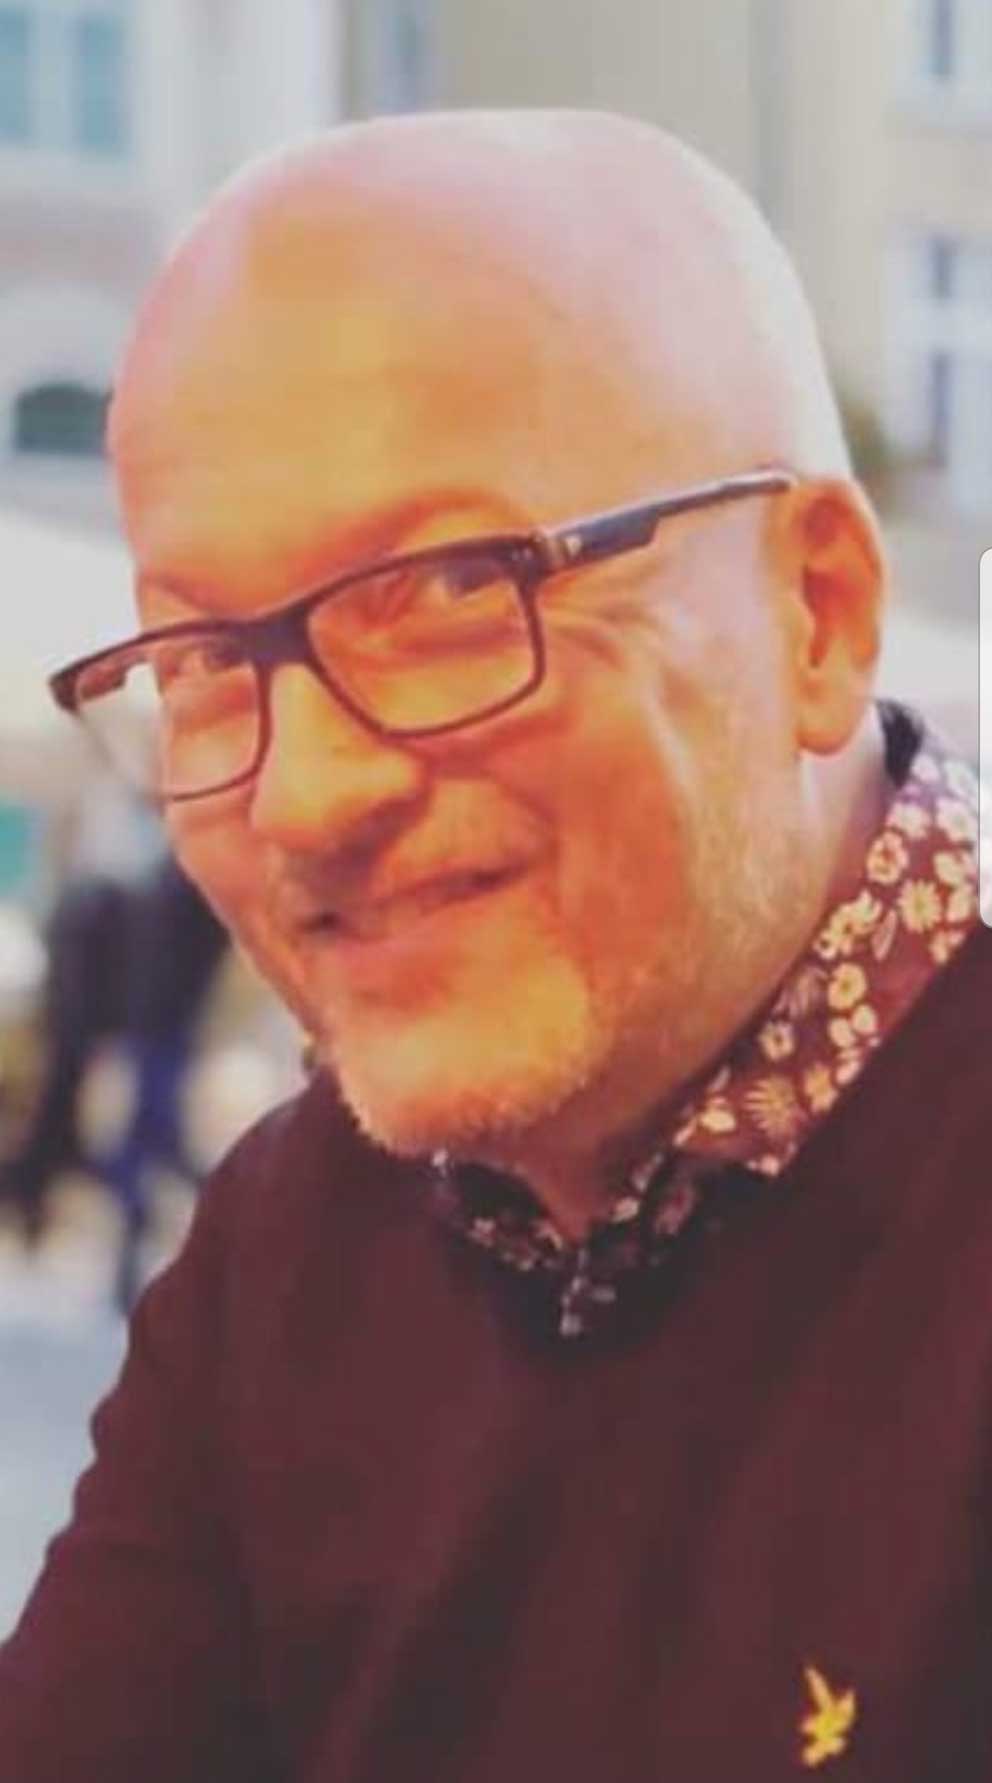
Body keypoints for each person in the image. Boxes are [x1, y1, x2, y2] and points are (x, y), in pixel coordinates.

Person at [0, 110, 987, 1781]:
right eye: (202, 663)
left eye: (454, 591)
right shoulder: (291, 1242)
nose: (303, 801)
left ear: (814, 612)